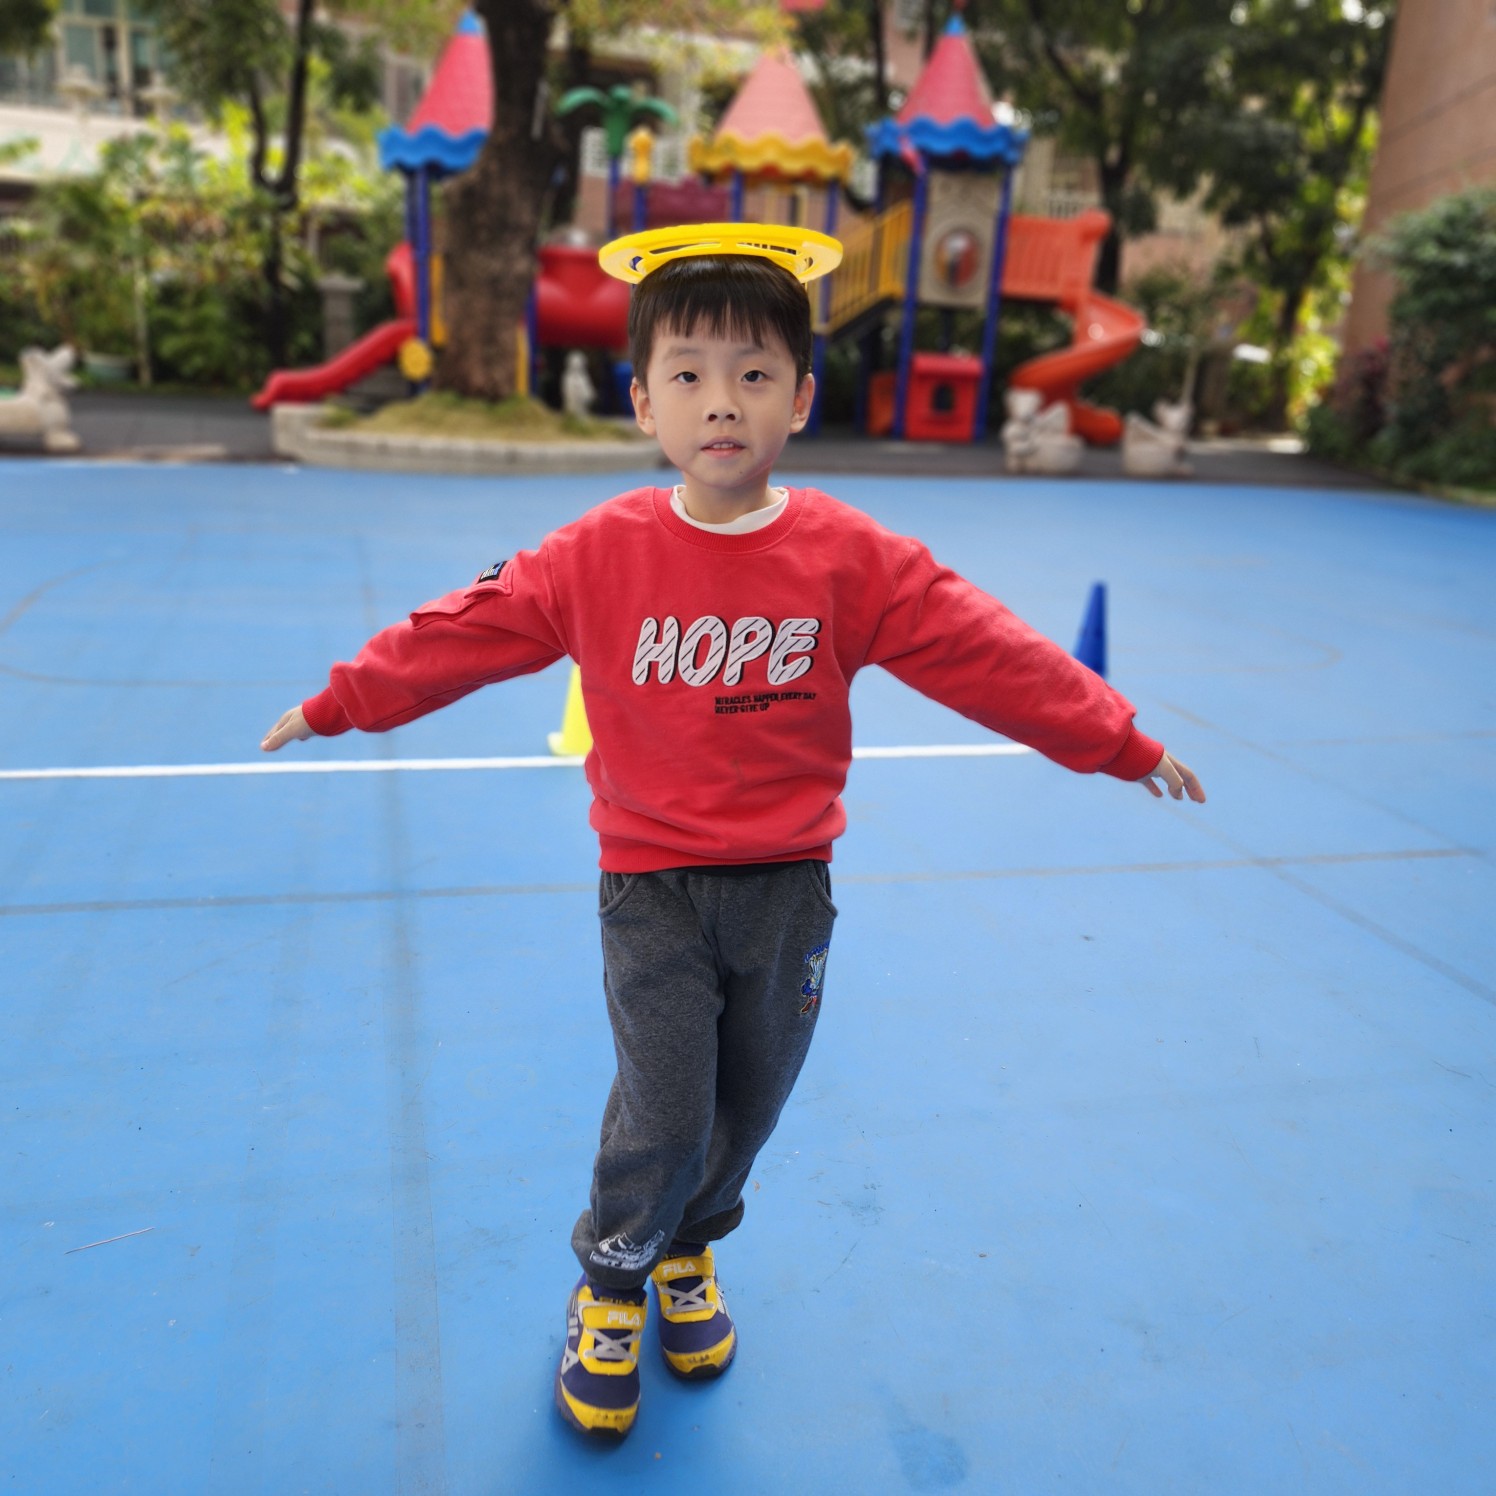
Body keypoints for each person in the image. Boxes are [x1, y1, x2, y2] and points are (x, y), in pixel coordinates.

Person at [260, 224, 1206, 1442]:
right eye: (689, 374)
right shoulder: (596, 554)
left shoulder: (852, 559)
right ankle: (612, 1280)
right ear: (642, 399)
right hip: (651, 885)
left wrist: (1114, 736)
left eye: (754, 374)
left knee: (746, 1102)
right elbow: (462, 630)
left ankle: (689, 1249)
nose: (721, 401)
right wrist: (342, 700)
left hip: (787, 886)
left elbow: (988, 651)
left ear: (799, 398)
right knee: (664, 1104)